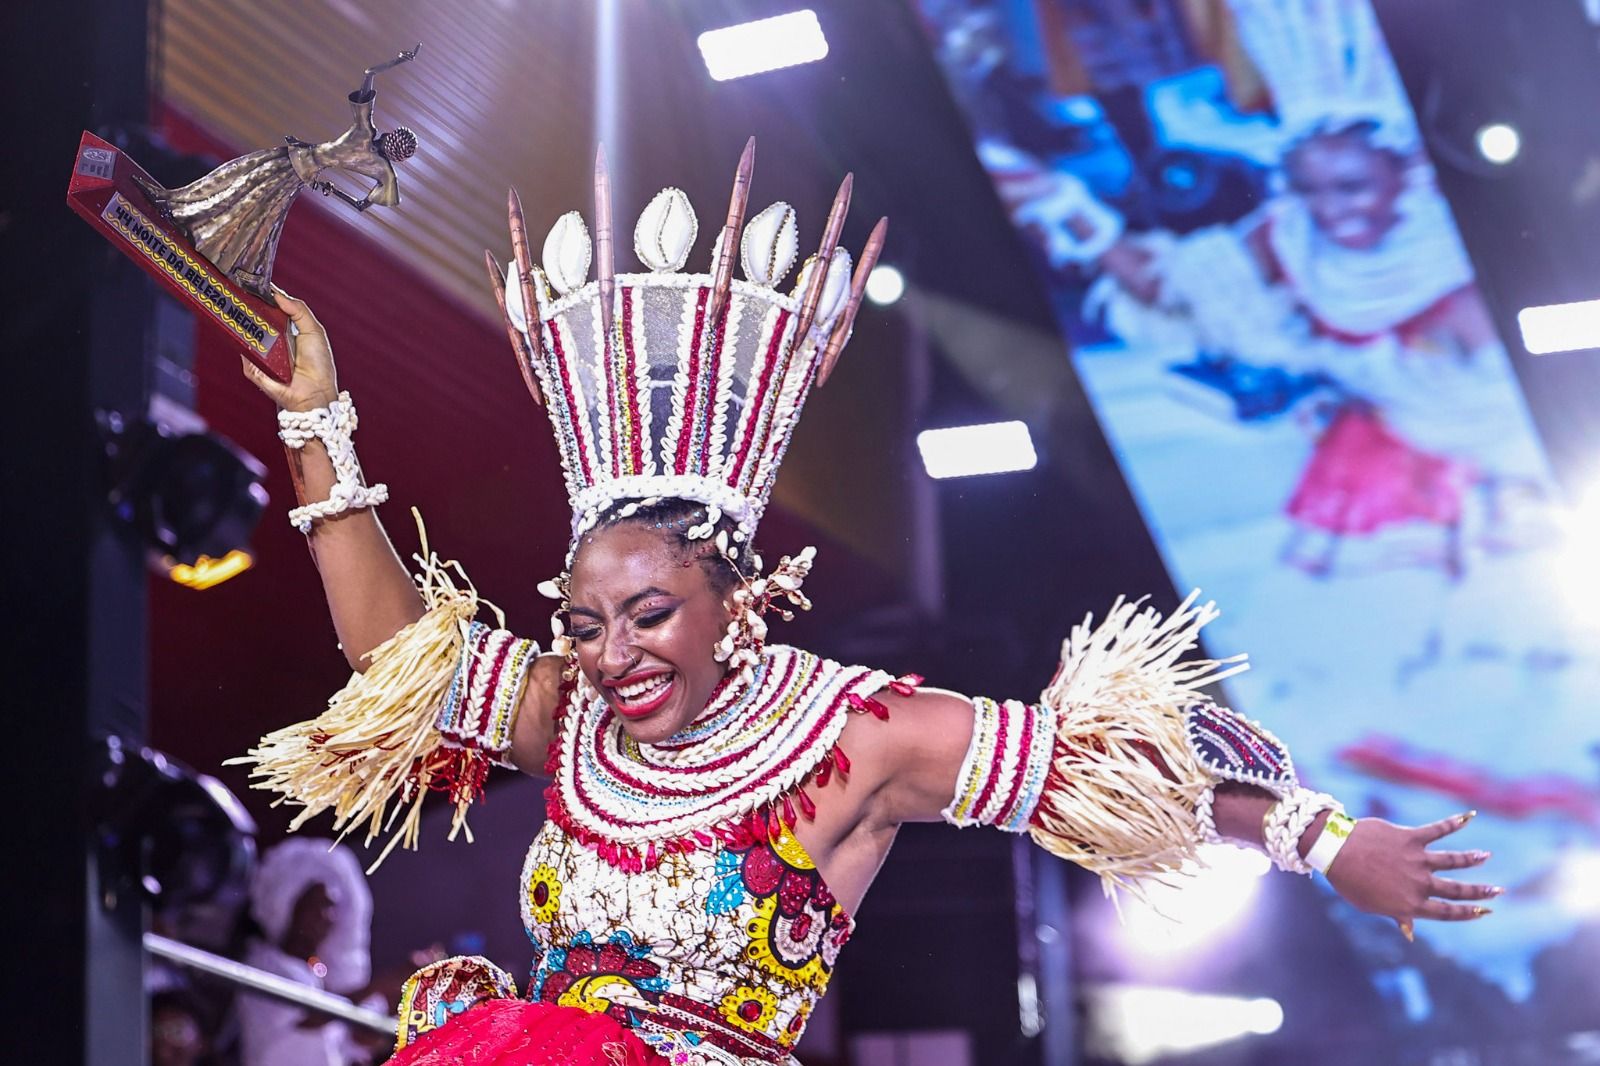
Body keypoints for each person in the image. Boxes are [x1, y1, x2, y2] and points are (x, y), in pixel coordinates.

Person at [233, 148, 1496, 1066]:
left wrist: (1323, 842)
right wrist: (311, 417)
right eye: (584, 621)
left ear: (736, 603)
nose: (611, 654)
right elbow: (394, 657)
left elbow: (1108, 772)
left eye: (651, 615)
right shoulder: (567, 714)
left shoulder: (855, 736)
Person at [136, 47, 420, 298]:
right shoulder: (383, 168)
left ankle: (186, 218)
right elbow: (361, 205)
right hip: (297, 163)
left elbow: (369, 72)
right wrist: (334, 191)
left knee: (241, 187)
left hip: (294, 166)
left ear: (391, 139)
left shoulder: (364, 131)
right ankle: (205, 237)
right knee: (254, 204)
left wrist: (397, 61)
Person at [239, 839, 379, 1066]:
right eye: (317, 905)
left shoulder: (323, 977)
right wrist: (381, 985)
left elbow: (362, 1038)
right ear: (289, 904)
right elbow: (308, 1020)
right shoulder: (265, 965)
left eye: (332, 907)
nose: (327, 917)